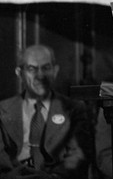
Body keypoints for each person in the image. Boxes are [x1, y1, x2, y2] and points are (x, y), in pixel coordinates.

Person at [0, 44, 92, 179]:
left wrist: (52, 177)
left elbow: (78, 156)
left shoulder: (74, 109)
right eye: (32, 69)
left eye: (46, 68)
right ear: (19, 73)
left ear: (55, 71)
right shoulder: (3, 110)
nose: (40, 75)